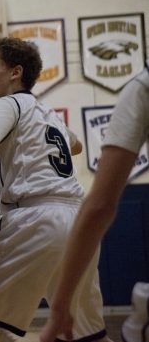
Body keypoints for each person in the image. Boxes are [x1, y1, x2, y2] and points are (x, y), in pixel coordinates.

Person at [0, 37, 111, 342]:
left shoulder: (5, 104)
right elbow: (75, 145)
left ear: (15, 72)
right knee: (86, 335)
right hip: (78, 223)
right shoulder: (48, 114)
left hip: (34, 218)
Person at [40, 66, 149, 342]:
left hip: (40, 215)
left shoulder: (142, 88)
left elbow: (100, 206)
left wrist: (60, 306)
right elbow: (76, 147)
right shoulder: (46, 115)